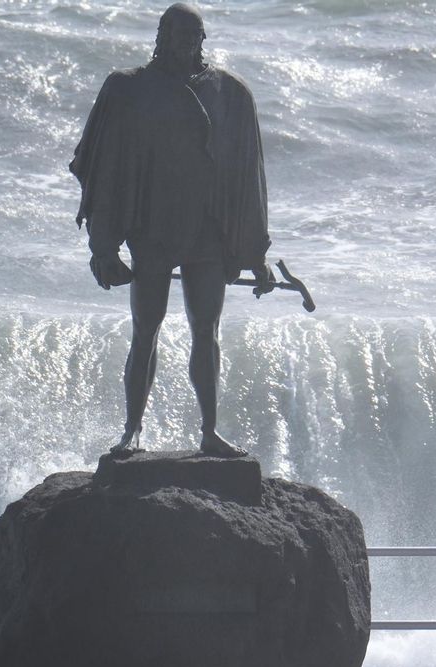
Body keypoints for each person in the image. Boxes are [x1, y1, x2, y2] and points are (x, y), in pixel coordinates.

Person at [70, 4, 275, 459]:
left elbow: (249, 181)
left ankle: (209, 431)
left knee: (207, 329)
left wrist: (253, 253)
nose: (184, 43)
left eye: (192, 35)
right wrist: (104, 247)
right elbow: (104, 170)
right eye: (175, 33)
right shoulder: (128, 89)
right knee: (146, 328)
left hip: (207, 235)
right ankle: (132, 431)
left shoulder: (231, 93)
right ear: (160, 35)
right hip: (153, 233)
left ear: (203, 38)